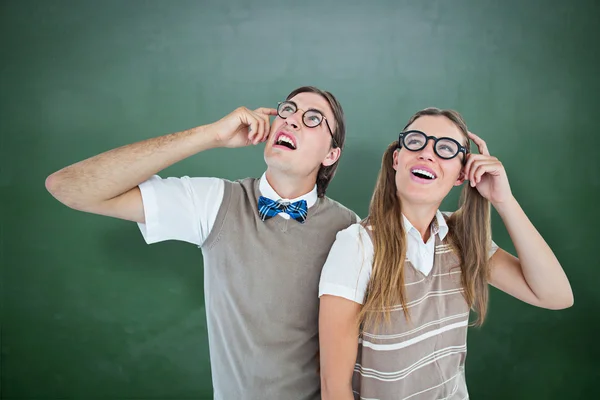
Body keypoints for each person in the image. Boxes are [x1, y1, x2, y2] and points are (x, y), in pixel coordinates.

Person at [45, 86, 360, 400]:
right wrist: (212, 135)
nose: (292, 121)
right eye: (288, 110)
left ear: (331, 154)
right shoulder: (215, 203)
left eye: (313, 119)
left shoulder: (350, 231)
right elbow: (67, 187)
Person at [317, 107, 573, 399]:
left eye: (446, 148)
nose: (427, 153)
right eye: (415, 141)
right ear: (396, 160)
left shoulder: (463, 240)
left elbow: (556, 296)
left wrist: (504, 200)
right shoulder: (357, 245)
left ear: (462, 174)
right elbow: (334, 388)